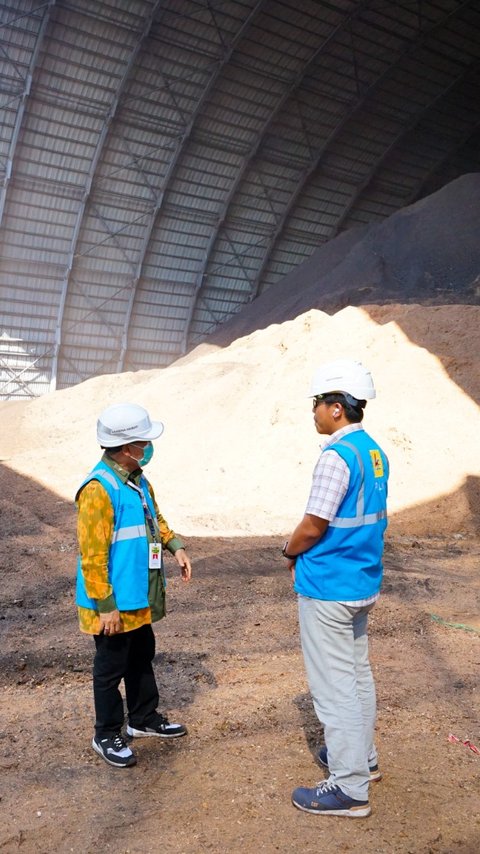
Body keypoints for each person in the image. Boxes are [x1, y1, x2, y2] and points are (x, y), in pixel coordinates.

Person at [282, 359, 389, 818]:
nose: (313, 412)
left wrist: (289, 551)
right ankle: (361, 760)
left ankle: (348, 789)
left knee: (334, 688)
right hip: (360, 580)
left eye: (317, 404)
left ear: (337, 408)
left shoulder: (335, 456)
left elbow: (314, 524)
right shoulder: (373, 451)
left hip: (328, 586)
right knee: (357, 675)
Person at [75, 402, 192, 768]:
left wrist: (175, 546)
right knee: (109, 670)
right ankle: (106, 732)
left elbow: (154, 518)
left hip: (137, 595)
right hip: (113, 602)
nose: (148, 448)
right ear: (127, 448)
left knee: (141, 656)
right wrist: (105, 605)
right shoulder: (98, 490)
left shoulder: (137, 479)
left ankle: (142, 719)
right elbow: (92, 556)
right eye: (144, 442)